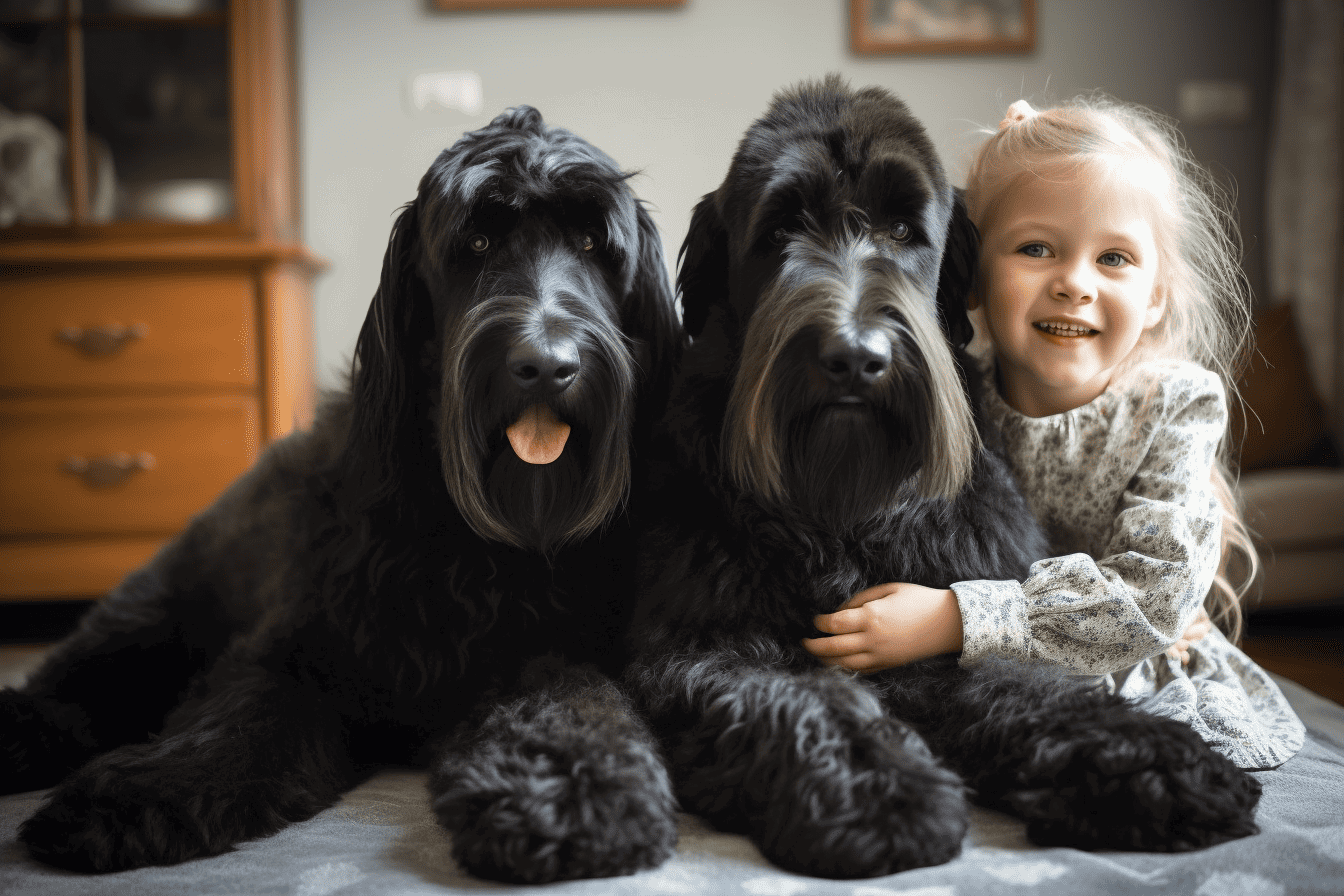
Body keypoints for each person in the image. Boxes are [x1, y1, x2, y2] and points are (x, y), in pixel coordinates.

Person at [804, 96, 1304, 770]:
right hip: (968, 671)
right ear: (974, 277)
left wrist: (953, 619)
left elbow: (1152, 599)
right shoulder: (953, 394)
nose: (1074, 283)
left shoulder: (1176, 406)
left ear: (1156, 294)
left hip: (1128, 662)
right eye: (1036, 249)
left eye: (1115, 259)